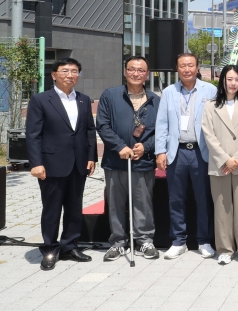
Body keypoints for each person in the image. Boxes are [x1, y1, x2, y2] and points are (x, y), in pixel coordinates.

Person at [26, 58, 97, 271]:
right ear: (54, 75)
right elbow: (33, 135)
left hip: (78, 164)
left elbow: (89, 131)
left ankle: (70, 246)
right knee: (52, 209)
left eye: (75, 71)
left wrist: (91, 157)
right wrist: (36, 163)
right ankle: (49, 249)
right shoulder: (40, 100)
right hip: (51, 164)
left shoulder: (83, 100)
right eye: (65, 70)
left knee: (75, 208)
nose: (70, 75)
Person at [155, 53, 218, 260]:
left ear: (197, 67)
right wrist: (160, 151)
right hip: (177, 151)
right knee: (176, 198)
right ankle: (178, 241)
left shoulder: (210, 90)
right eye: (183, 66)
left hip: (202, 151)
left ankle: (204, 240)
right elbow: (162, 124)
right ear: (177, 68)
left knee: (203, 198)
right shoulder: (168, 92)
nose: (187, 69)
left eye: (191, 65)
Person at [97, 56, 160, 262]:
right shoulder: (111, 95)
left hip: (143, 161)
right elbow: (103, 125)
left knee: (143, 203)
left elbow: (160, 131)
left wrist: (146, 147)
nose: (136, 73)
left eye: (141, 70)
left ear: (147, 74)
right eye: (132, 69)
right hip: (116, 161)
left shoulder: (154, 100)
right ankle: (118, 242)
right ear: (125, 72)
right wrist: (120, 146)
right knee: (115, 203)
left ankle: (144, 241)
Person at [202, 65, 238, 265]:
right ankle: (224, 248)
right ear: (222, 80)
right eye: (229, 79)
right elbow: (208, 134)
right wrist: (225, 158)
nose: (233, 83)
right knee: (222, 207)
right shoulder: (211, 106)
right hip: (219, 164)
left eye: (236, 80)